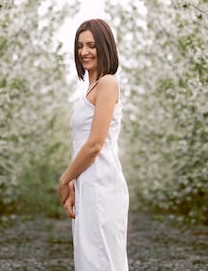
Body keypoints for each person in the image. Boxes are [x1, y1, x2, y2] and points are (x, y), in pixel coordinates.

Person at [58, 19, 129, 271]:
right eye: (80, 46)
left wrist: (65, 179)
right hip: (88, 184)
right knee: (89, 262)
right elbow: (81, 146)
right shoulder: (91, 90)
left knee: (104, 262)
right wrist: (75, 184)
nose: (84, 52)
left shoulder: (108, 83)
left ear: (105, 47)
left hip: (102, 183)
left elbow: (95, 144)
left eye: (91, 45)